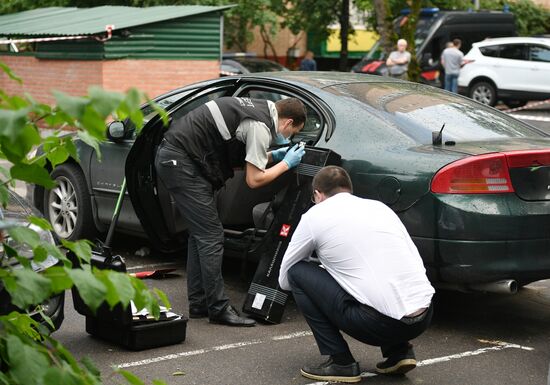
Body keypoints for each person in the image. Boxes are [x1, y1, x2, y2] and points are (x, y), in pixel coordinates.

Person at [157, 96, 307, 327]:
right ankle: (218, 308)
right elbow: (254, 179)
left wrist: (273, 156)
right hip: (184, 165)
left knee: (201, 235)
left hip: (180, 159)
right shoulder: (260, 126)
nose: (289, 137)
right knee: (211, 236)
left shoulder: (256, 109)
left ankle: (200, 304)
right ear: (287, 122)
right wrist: (287, 163)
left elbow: (248, 157)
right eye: (293, 133)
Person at [279, 166, 435, 383]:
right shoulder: (380, 208)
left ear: (317, 194)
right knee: (373, 271)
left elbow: (285, 278)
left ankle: (341, 362)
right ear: (349, 190)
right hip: (423, 317)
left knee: (298, 272)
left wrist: (329, 270)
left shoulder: (314, 215)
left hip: (379, 325)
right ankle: (399, 352)